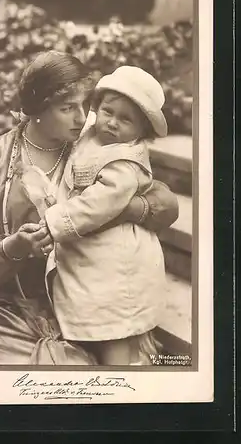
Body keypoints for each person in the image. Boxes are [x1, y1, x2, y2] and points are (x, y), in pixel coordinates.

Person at [0, 51, 179, 365]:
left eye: (85, 105)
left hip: (84, 303)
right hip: (4, 309)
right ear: (37, 109)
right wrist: (12, 248)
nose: (81, 117)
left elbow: (167, 205)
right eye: (67, 108)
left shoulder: (92, 146)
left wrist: (125, 208)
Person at [42, 66, 168, 366]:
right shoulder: (92, 133)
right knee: (89, 317)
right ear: (96, 108)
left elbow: (98, 204)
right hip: (88, 251)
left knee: (114, 326)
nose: (112, 123)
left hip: (116, 257)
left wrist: (54, 221)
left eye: (126, 120)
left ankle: (123, 379)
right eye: (108, 111)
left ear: (142, 130)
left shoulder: (125, 163)